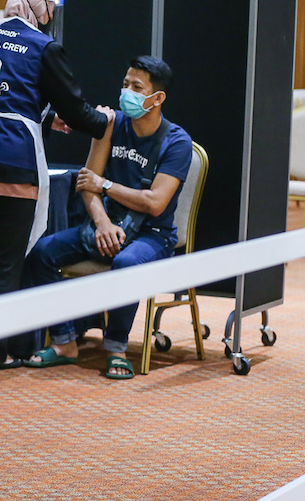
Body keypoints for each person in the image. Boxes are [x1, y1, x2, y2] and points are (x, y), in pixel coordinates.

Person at [22, 56, 192, 380]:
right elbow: (88, 183)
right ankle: (64, 343)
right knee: (42, 253)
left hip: (152, 234)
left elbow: (155, 203)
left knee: (127, 264)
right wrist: (102, 222)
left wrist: (107, 186)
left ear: (157, 99)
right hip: (105, 225)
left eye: (136, 87)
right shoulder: (111, 125)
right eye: (125, 84)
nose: (126, 91)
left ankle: (116, 347)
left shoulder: (177, 142)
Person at [0, 0, 111, 371]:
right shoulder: (44, 46)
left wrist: (45, 115)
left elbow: (1, 90)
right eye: (51, 7)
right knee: (6, 263)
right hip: (13, 165)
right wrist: (104, 122)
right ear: (42, 7)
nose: (52, 14)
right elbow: (77, 110)